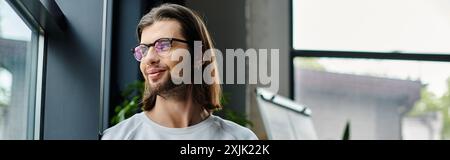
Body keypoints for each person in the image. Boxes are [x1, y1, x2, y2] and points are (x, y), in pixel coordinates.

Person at [101, 3, 257, 140]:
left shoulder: (241, 139)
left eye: (163, 45)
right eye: (143, 50)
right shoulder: (116, 137)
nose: (149, 59)